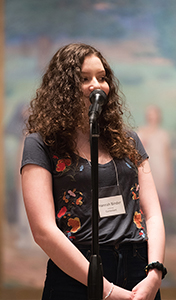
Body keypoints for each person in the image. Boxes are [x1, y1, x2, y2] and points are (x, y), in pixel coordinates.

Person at [20, 43, 166, 300]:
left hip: (138, 270)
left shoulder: (129, 140)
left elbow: (152, 214)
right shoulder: (41, 143)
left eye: (102, 77)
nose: (97, 85)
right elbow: (43, 230)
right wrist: (107, 290)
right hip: (76, 273)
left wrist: (154, 274)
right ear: (63, 88)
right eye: (85, 79)